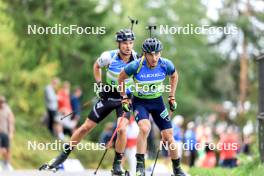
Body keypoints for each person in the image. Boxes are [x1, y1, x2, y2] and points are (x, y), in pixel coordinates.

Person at [40, 28, 137, 175]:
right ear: (119, 43)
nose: (128, 46)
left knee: (122, 129)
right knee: (86, 127)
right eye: (125, 43)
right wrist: (99, 85)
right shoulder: (108, 56)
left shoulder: (137, 58)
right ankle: (60, 159)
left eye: (130, 43)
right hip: (108, 96)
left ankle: (117, 166)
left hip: (125, 98)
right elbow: (96, 66)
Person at [118, 38, 185, 176]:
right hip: (140, 102)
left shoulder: (166, 64)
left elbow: (174, 76)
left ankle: (177, 169)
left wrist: (171, 96)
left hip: (157, 103)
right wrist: (124, 97)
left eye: (157, 54)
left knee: (169, 136)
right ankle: (140, 167)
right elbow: (121, 78)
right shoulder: (136, 65)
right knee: (144, 128)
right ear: (144, 54)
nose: (154, 58)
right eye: (150, 54)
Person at [0, 96, 15, 171]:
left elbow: (11, 122)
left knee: (7, 149)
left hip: (5, 132)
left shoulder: (7, 109)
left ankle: (7, 164)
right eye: (1, 102)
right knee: (1, 149)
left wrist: (11, 133)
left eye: (3, 102)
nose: (2, 103)